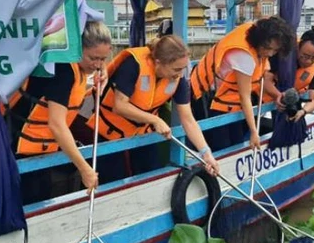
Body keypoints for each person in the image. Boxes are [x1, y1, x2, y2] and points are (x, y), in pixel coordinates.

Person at [4, 21, 112, 202]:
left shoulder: (78, 66)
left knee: (43, 197)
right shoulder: (63, 71)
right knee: (28, 203)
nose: (98, 64)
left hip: (42, 149)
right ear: (77, 48)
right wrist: (84, 169)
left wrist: (104, 69)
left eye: (103, 59)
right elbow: (56, 124)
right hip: (18, 148)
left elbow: (93, 60)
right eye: (93, 58)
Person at [87, 34, 220, 180]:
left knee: (152, 175)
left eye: (183, 68)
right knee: (112, 180)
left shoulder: (178, 79)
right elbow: (119, 105)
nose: (180, 74)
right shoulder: (133, 64)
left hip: (142, 134)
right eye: (176, 69)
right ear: (158, 62)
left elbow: (188, 119)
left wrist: (206, 154)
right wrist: (155, 120)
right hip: (109, 133)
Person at [190, 16, 294, 150]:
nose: (270, 53)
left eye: (275, 50)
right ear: (259, 40)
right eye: (267, 48)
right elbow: (244, 96)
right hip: (211, 98)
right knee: (221, 147)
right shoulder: (244, 56)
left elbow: (259, 78)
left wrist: (276, 95)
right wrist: (254, 132)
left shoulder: (258, 46)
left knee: (236, 141)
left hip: (231, 102)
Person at [264, 26, 314, 120]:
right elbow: (265, 81)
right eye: (305, 56)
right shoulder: (282, 54)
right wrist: (278, 95)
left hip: (285, 102)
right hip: (258, 95)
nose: (308, 61)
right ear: (298, 47)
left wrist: (303, 111)